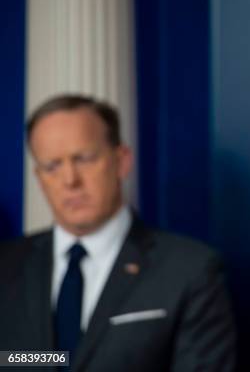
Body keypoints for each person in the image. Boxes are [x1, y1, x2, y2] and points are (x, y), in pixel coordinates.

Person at [0, 95, 236, 371]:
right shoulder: (7, 266)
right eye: (52, 166)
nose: (70, 180)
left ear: (121, 161)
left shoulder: (189, 270)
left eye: (84, 158)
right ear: (39, 179)